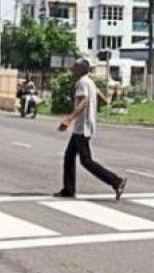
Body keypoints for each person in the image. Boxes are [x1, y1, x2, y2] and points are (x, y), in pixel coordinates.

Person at [54, 58, 127, 200]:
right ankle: (68, 189)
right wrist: (103, 100)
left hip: (83, 126)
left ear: (82, 69)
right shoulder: (90, 81)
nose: (72, 69)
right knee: (69, 156)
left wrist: (69, 119)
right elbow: (100, 96)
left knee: (86, 160)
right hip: (84, 125)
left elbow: (84, 101)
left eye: (75, 67)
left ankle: (116, 181)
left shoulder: (82, 82)